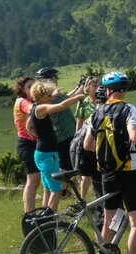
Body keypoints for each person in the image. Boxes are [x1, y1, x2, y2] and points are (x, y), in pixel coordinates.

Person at [84, 72, 136, 254]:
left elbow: (87, 144)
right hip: (127, 172)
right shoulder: (128, 109)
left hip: (107, 173)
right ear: (124, 90)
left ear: (108, 90)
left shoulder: (97, 112)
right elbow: (134, 136)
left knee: (110, 219)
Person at [26, 80, 85, 212]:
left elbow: (28, 126)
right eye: (48, 96)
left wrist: (41, 136)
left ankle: (44, 216)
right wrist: (77, 97)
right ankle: (50, 219)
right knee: (57, 190)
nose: (50, 98)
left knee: (48, 187)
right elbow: (60, 107)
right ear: (40, 96)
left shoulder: (35, 107)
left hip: (43, 153)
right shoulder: (41, 108)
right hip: (48, 155)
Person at [35, 67, 83, 197]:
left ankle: (63, 191)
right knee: (65, 164)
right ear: (49, 79)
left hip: (65, 133)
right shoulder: (50, 97)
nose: (57, 79)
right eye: (54, 77)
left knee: (66, 163)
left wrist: (79, 88)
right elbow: (65, 101)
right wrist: (80, 91)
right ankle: (62, 192)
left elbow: (66, 97)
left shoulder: (50, 95)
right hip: (63, 134)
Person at [13, 76, 40, 213]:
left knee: (35, 181)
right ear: (22, 89)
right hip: (27, 144)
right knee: (33, 180)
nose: (32, 89)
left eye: (34, 86)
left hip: (31, 143)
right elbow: (32, 109)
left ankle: (30, 214)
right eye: (29, 87)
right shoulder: (23, 101)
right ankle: (29, 215)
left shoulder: (27, 100)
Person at [74, 76, 100, 200]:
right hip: (87, 141)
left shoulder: (103, 102)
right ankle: (82, 199)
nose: (97, 88)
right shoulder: (83, 104)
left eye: (99, 85)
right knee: (86, 174)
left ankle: (100, 198)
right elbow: (78, 126)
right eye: (94, 85)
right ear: (87, 87)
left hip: (101, 142)